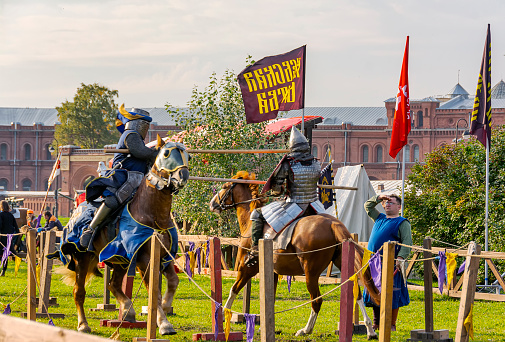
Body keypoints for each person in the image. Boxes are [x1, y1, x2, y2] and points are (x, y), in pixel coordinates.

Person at [79, 105, 158, 250]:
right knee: (113, 199)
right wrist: (155, 152)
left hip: (139, 178)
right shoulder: (131, 135)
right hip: (123, 176)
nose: (145, 129)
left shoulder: (138, 138)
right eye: (144, 125)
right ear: (138, 123)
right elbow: (140, 152)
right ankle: (90, 229)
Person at [245, 126, 325, 267]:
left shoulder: (288, 164)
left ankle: (255, 251)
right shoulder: (316, 163)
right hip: (314, 205)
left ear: (292, 147)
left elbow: (276, 190)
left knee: (257, 214)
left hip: (294, 205)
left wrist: (278, 189)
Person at [363, 193, 412, 331]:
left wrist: (401, 258)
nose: (388, 204)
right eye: (386, 202)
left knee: (392, 294)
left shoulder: (402, 222)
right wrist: (379, 197)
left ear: (399, 206)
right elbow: (367, 206)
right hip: (374, 263)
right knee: (374, 292)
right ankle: (377, 323)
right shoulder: (379, 217)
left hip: (391, 263)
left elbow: (407, 242)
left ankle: (391, 324)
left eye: (391, 202)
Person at [0, 200, 20, 276]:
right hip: (9, 237)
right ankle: (3, 271)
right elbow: (16, 226)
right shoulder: (11, 215)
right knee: (6, 252)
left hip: (2, 237)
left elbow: (0, 225)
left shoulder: (1, 215)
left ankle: (2, 270)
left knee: (2, 253)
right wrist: (17, 234)